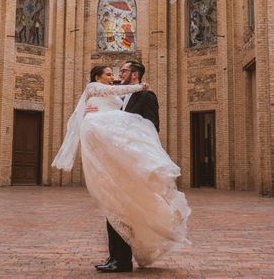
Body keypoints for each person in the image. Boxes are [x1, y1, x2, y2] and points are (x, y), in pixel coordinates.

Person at [52, 61, 190, 273]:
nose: (117, 75)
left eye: (122, 71)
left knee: (120, 210)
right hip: (114, 161)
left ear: (134, 74)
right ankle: (116, 257)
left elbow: (151, 126)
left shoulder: (146, 96)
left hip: (131, 161)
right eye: (110, 73)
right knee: (113, 209)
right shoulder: (117, 96)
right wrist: (92, 112)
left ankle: (121, 260)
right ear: (98, 78)